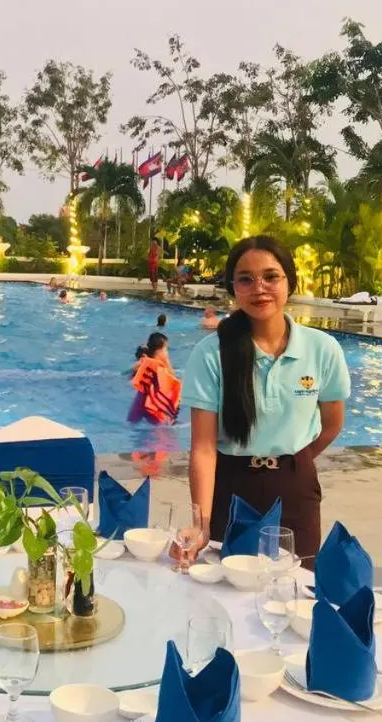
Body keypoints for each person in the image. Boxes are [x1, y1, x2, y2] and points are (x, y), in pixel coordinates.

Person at [179, 236, 351, 569]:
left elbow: (332, 426)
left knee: (295, 587)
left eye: (271, 276)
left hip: (294, 489)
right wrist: (200, 523)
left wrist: (294, 460)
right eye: (246, 279)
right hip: (231, 485)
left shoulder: (322, 349)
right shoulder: (211, 353)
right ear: (233, 288)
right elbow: (203, 448)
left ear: (290, 282)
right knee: (225, 591)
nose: (259, 287)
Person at [129, 332, 182, 424]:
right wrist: (166, 360)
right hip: (152, 406)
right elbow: (171, 383)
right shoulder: (158, 367)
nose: (167, 353)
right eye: (166, 350)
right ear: (159, 351)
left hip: (140, 403)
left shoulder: (148, 363)